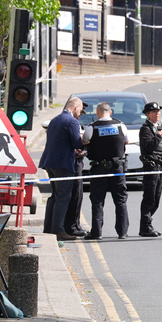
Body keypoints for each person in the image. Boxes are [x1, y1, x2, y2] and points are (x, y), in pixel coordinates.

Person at [39, 97, 85, 241]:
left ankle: (48, 228)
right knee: (63, 197)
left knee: (55, 196)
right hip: (63, 164)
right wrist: (86, 139)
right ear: (76, 107)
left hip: (50, 162)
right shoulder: (72, 121)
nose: (80, 114)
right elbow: (77, 142)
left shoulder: (55, 119)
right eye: (81, 110)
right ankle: (58, 229)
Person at [83, 102, 130, 240]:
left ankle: (97, 233)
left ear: (97, 113)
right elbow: (126, 142)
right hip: (117, 168)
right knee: (120, 200)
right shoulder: (121, 125)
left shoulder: (92, 127)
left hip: (99, 168)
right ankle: (122, 232)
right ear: (110, 113)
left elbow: (85, 141)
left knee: (97, 201)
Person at [139, 101, 162, 237]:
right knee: (149, 197)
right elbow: (149, 147)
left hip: (160, 165)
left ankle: (148, 224)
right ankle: (145, 227)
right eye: (154, 112)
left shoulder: (158, 126)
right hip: (151, 167)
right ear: (147, 114)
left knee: (156, 198)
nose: (157, 114)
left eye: (158, 111)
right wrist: (160, 134)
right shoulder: (145, 129)